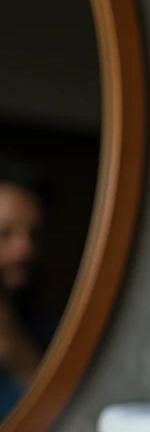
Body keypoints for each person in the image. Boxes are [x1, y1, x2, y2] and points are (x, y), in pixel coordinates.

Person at [0, 156, 53, 418]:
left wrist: (20, 355)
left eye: (34, 234)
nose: (26, 250)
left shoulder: (59, 333)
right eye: (6, 233)